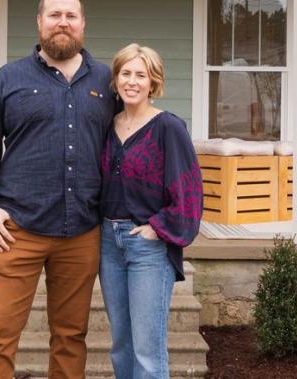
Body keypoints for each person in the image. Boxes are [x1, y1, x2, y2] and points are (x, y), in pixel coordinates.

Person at [0, 0, 118, 379]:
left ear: (83, 24)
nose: (62, 23)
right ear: (39, 23)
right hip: (15, 229)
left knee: (71, 337)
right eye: (54, 15)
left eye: (70, 15)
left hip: (81, 231)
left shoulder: (107, 81)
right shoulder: (9, 78)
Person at [99, 43, 203, 379]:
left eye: (140, 75)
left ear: (153, 82)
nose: (132, 81)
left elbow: (189, 191)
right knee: (121, 345)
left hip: (148, 246)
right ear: (115, 79)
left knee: (147, 349)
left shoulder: (168, 127)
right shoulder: (107, 124)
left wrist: (156, 228)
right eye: (126, 73)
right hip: (107, 244)